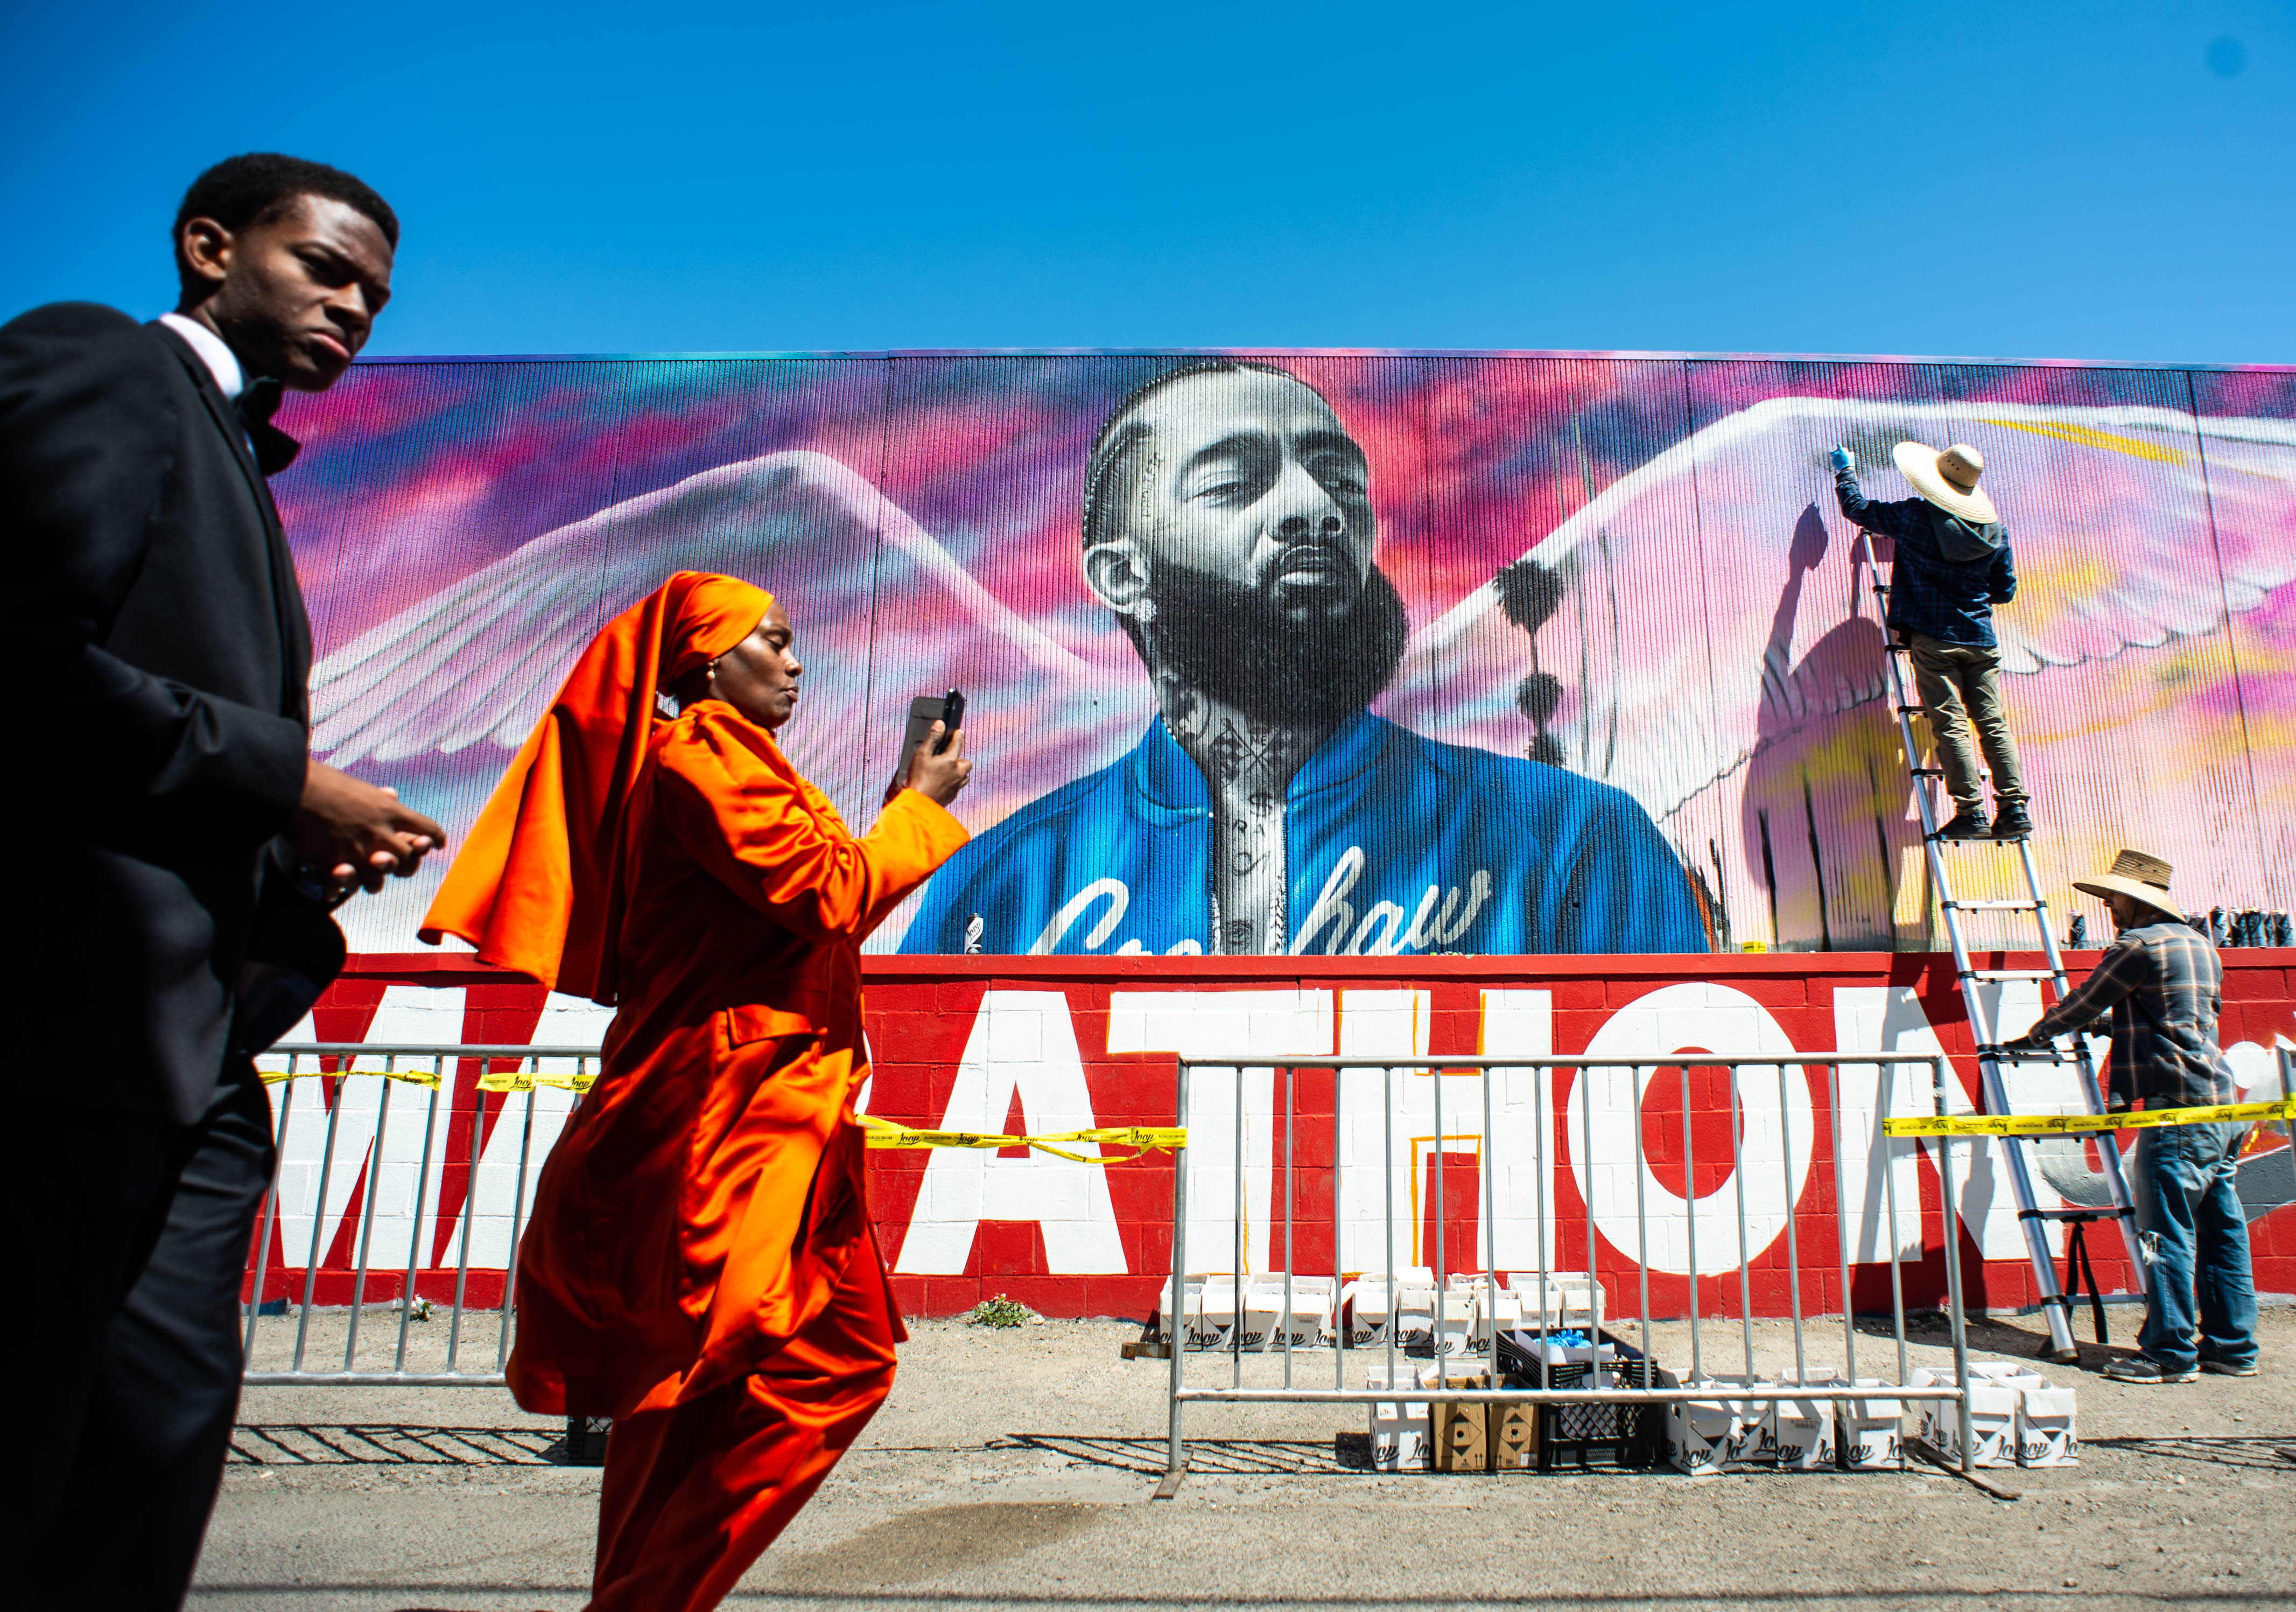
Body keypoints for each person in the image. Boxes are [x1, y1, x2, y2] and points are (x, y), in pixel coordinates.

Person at [0, 153, 444, 1606]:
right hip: (66, 1029)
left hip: (188, 1058)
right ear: (209, 246)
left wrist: (287, 840)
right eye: (325, 268)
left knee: (155, 1444)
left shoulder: (237, 453)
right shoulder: (100, 366)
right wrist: (278, 778)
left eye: (375, 292)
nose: (355, 307)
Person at [419, 571, 970, 1612]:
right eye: (774, 641)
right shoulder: (703, 757)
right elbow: (832, 892)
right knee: (822, 1367)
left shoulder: (733, 763)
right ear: (706, 663)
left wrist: (898, 808)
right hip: (728, 1121)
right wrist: (916, 810)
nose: (797, 662)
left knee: (687, 1387)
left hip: (773, 1115)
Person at [902, 360, 1707, 957]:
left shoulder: (1574, 846)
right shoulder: (999, 890)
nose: (1315, 510)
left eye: (1339, 481)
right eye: (1232, 484)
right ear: (1124, 575)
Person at [2011, 847, 2255, 1385]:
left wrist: (2036, 1033)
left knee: (2163, 1232)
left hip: (2175, 1111)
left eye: (2113, 897)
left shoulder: (2136, 946)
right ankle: (2233, 1347)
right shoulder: (2200, 946)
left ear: (2136, 900)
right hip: (2222, 1103)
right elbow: (2172, 1021)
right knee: (2222, 1228)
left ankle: (2168, 1354)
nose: (2108, 906)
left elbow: (2084, 1003)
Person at [1831, 440, 2030, 841]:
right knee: (1993, 724)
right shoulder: (1994, 530)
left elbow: (1858, 510)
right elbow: (2004, 590)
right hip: (1980, 639)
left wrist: (1844, 472)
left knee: (1950, 723)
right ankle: (2014, 809)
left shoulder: (1916, 517)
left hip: (1934, 637)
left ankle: (1971, 812)